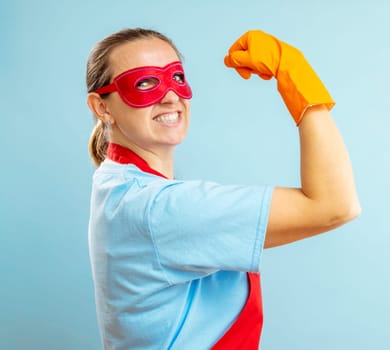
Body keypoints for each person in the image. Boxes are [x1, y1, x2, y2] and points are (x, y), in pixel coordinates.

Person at [86, 27, 361, 349]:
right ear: (101, 107)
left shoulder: (116, 184)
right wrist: (299, 80)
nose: (171, 95)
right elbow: (334, 206)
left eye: (176, 77)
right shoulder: (157, 208)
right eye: (145, 83)